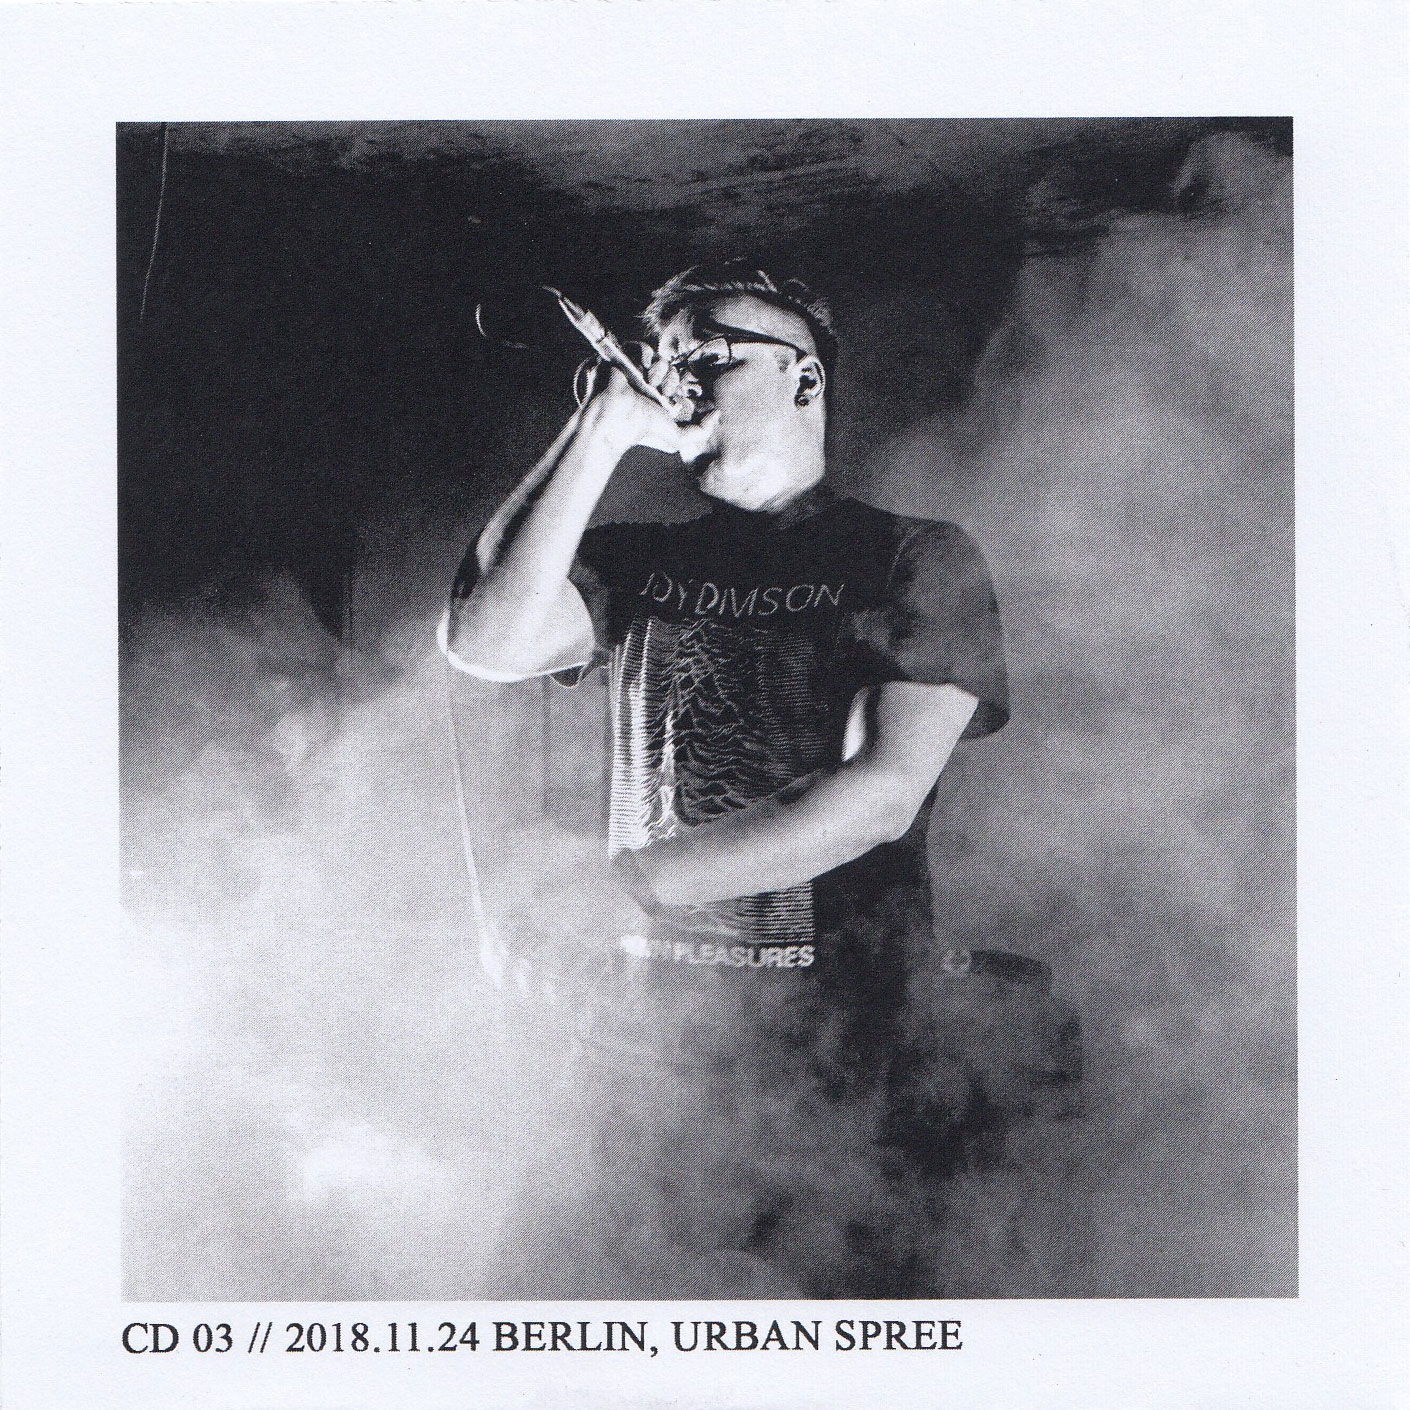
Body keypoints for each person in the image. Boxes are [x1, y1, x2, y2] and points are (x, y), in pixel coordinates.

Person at [441, 262, 1017, 1294]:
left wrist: (628, 884)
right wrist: (599, 431)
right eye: (661, 361)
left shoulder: (913, 557)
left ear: (804, 378)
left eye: (706, 354)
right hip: (635, 1061)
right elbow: (484, 639)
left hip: (844, 1065)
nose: (676, 379)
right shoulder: (633, 560)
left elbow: (879, 798)